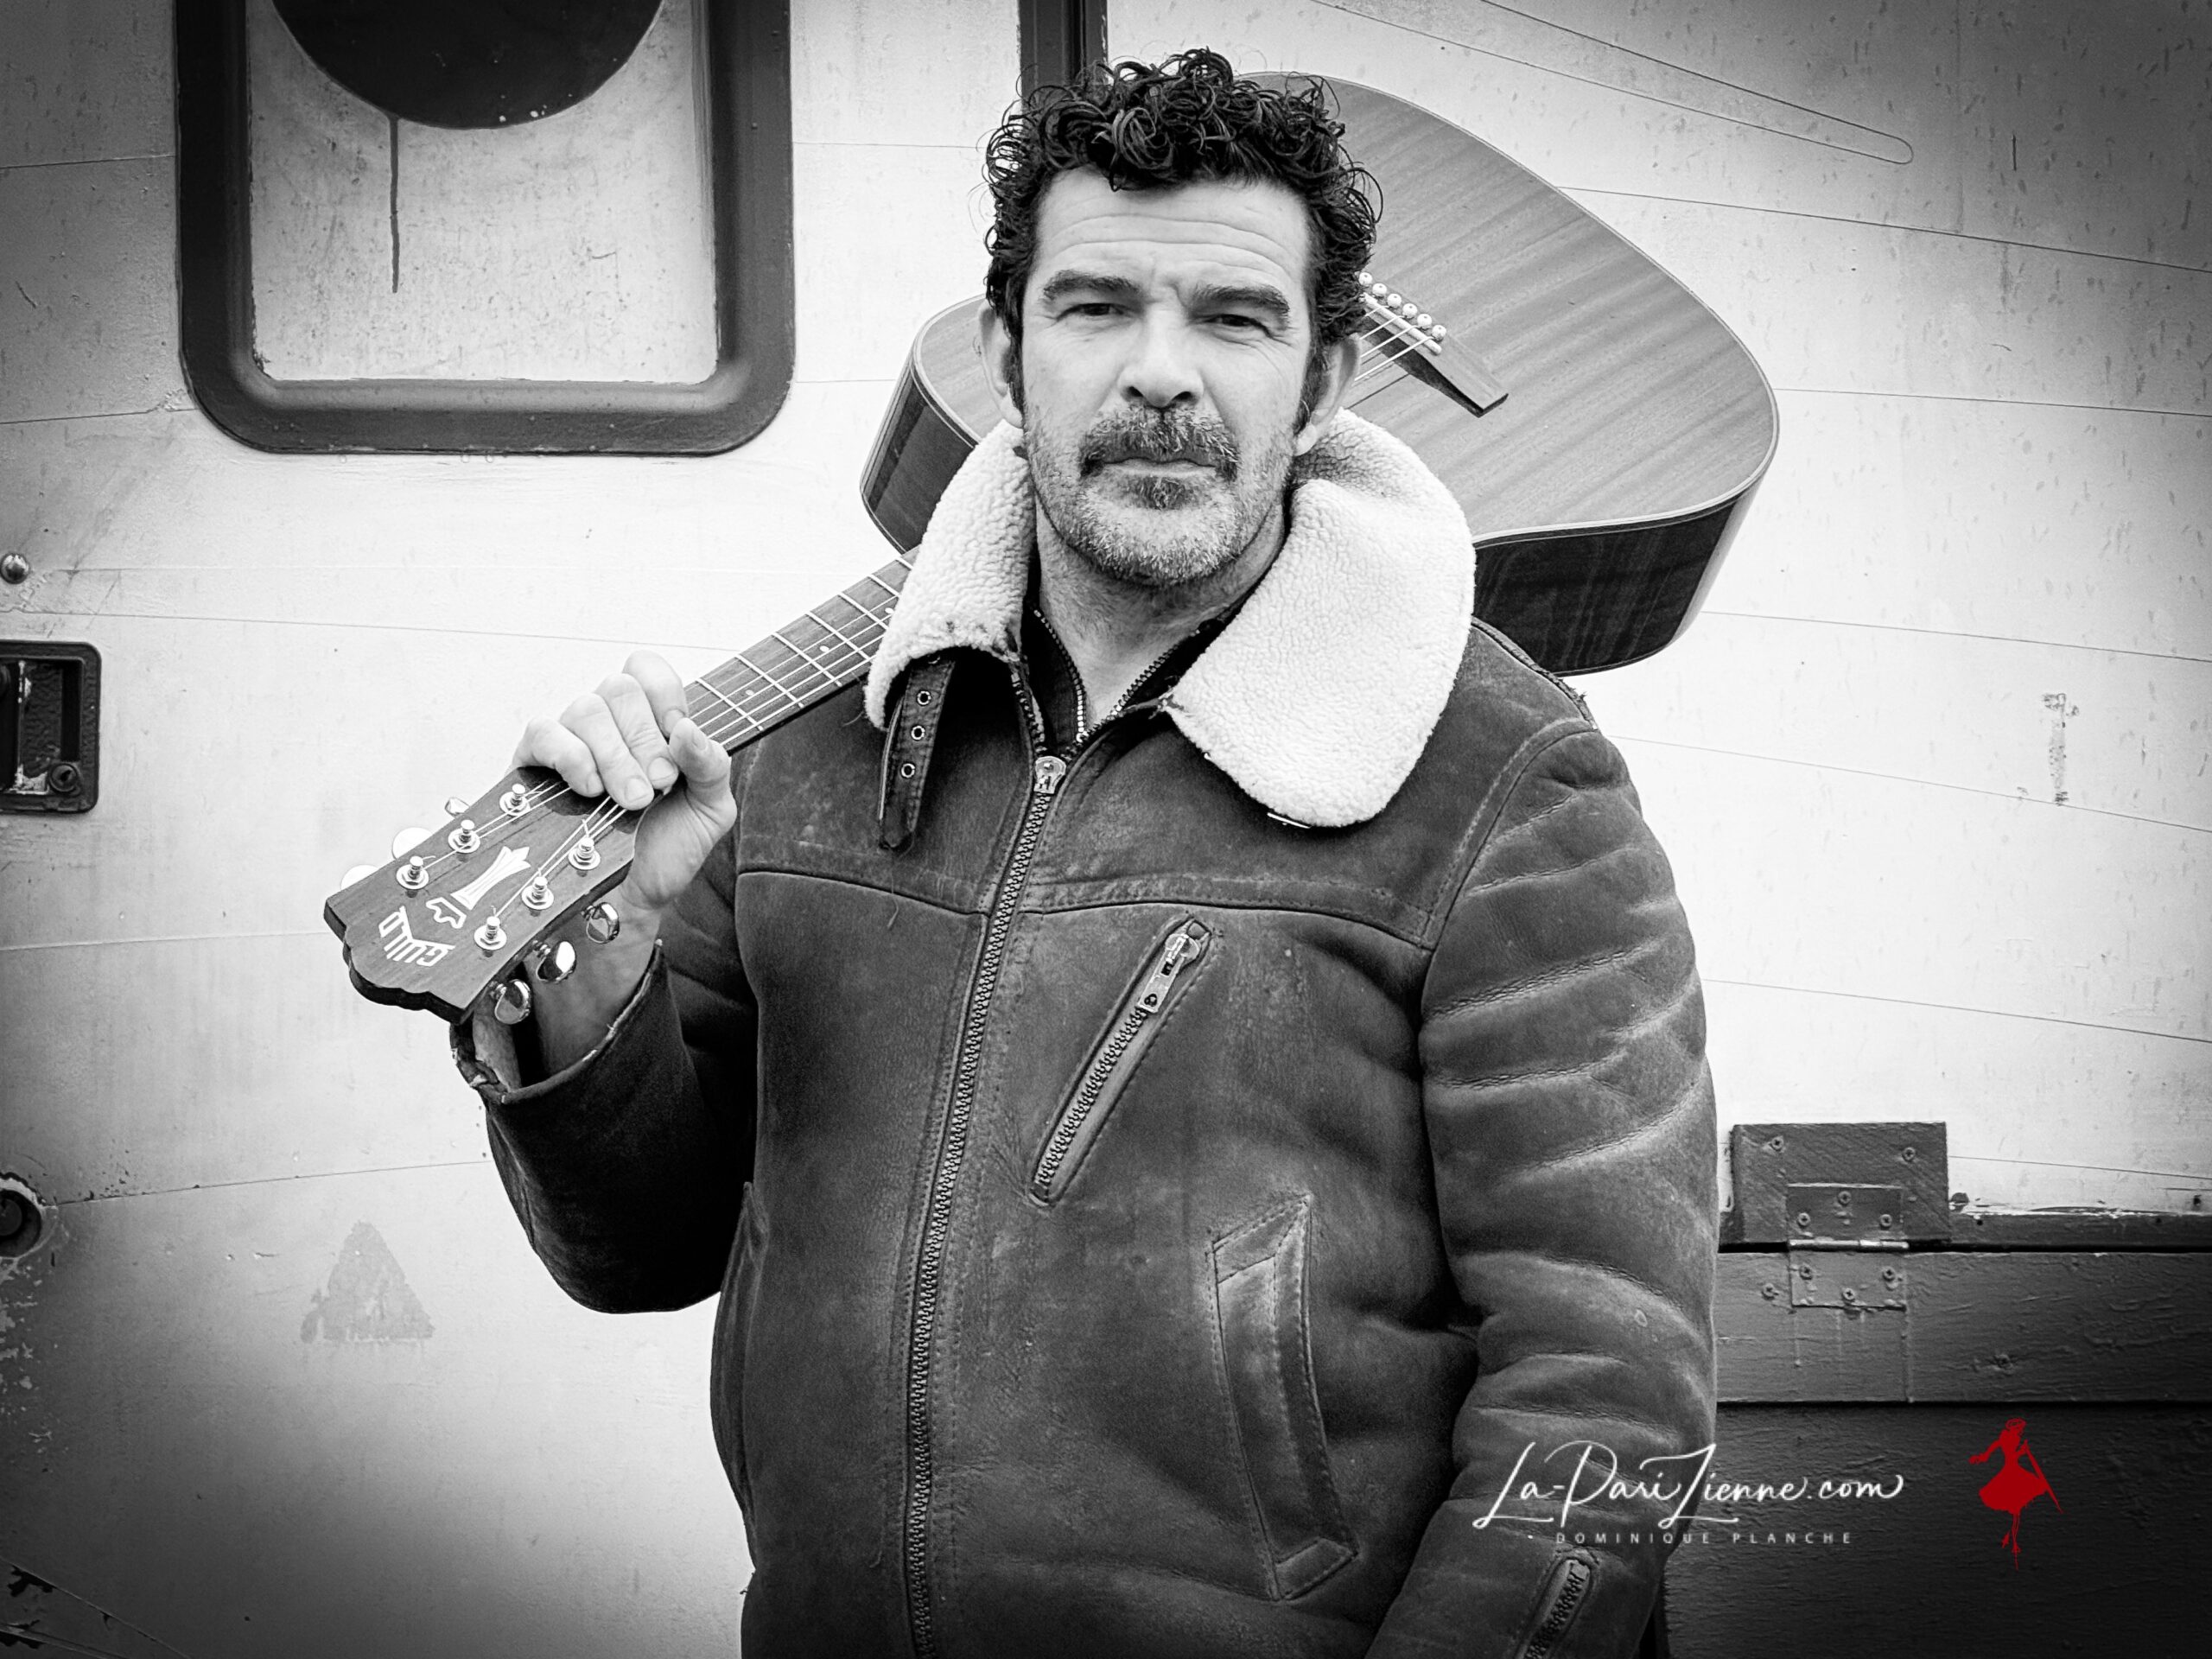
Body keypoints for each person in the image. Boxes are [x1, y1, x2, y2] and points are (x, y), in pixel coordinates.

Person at [455, 50, 1718, 1658]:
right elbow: (639, 1250)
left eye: (1236, 319)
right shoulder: (806, 743)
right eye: (1096, 306)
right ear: (1006, 356)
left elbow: (1609, 1396)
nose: (1160, 376)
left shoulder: (1506, 782)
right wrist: (590, 955)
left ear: (1327, 380)